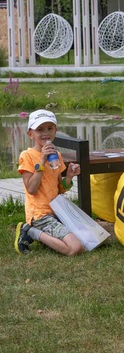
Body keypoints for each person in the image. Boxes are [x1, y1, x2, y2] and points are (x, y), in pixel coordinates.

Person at [15, 109, 84, 256]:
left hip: (57, 210)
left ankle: (46, 237)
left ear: (55, 131)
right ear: (30, 134)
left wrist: (70, 176)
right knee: (75, 248)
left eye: (50, 128)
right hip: (40, 214)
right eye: (40, 129)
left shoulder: (56, 155)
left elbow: (60, 189)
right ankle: (31, 231)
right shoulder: (27, 156)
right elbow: (31, 189)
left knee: (87, 238)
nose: (46, 133)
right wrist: (42, 160)